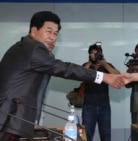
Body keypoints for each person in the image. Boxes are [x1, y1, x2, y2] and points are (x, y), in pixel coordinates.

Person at [0, 11, 123, 141]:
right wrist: (103, 77)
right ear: (34, 30)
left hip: (9, 117)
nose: (53, 37)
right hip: (7, 116)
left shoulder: (23, 46)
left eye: (55, 33)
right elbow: (64, 68)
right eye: (48, 31)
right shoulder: (33, 48)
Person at [81, 43, 120, 141]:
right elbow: (80, 75)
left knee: (106, 135)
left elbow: (118, 75)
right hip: (89, 106)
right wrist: (89, 63)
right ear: (89, 55)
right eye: (93, 53)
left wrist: (105, 64)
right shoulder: (86, 66)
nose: (95, 56)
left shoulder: (107, 66)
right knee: (86, 135)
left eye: (97, 53)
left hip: (104, 106)